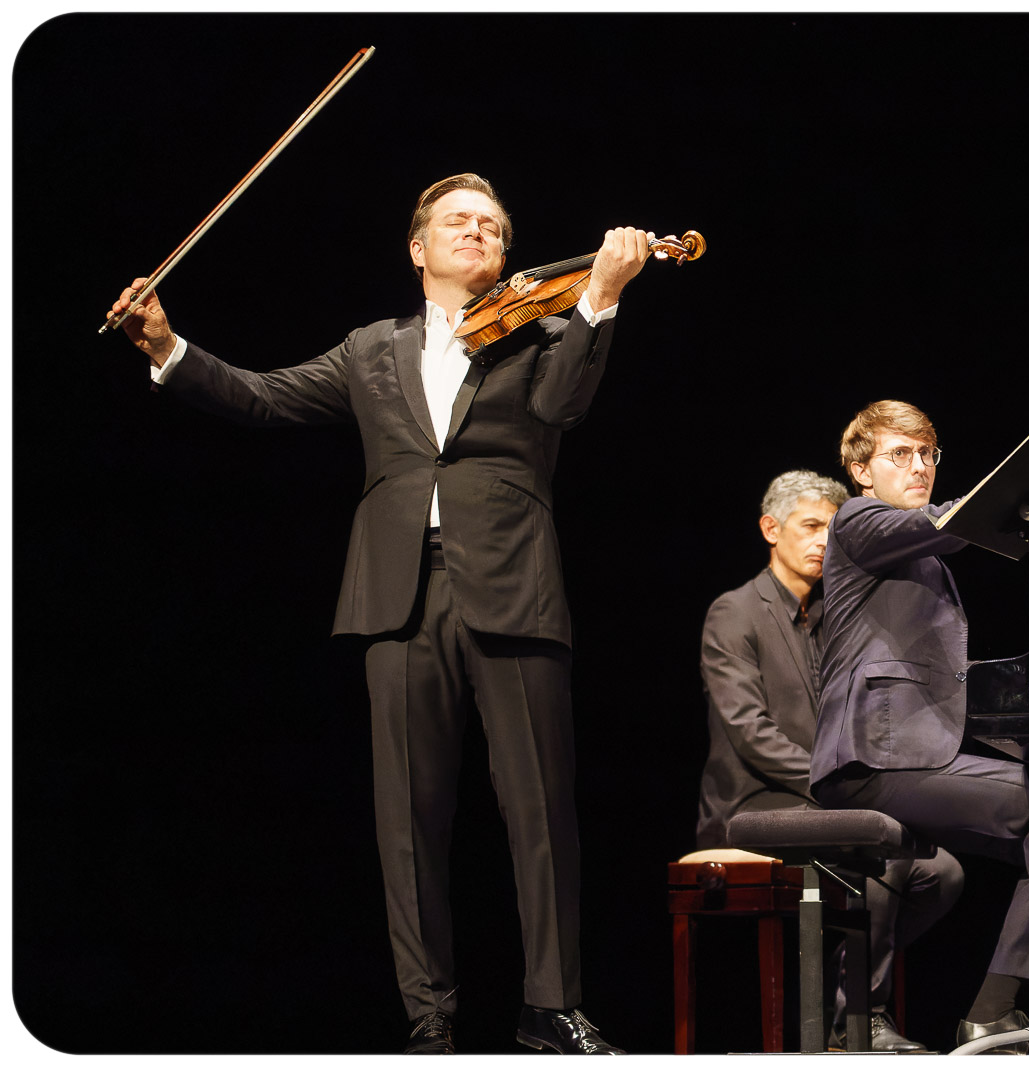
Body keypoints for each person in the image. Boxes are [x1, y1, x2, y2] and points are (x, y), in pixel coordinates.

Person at [106, 174, 647, 1055]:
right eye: (457, 221)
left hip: (512, 584)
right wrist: (168, 346)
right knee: (408, 817)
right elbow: (263, 396)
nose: (476, 231)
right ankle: (428, 1014)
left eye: (492, 225)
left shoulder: (547, 331)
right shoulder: (370, 348)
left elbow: (561, 408)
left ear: (507, 253)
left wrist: (600, 298)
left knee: (541, 810)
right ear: (417, 247)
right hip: (396, 593)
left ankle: (550, 1004)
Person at [809, 400, 1029, 1052]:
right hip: (871, 758)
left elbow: (980, 536)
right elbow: (954, 521)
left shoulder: (922, 554)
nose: (920, 465)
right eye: (901, 454)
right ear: (860, 469)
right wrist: (1028, 489)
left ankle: (1002, 1005)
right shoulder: (857, 519)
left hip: (907, 754)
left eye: (928, 453)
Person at [695, 470, 963, 1052]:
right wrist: (836, 784)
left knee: (942, 872)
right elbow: (750, 732)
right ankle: (859, 1021)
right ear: (771, 529)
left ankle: (841, 995)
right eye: (810, 526)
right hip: (756, 805)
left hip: (823, 803)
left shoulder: (838, 613)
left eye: (832, 529)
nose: (823, 541)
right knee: (883, 856)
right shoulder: (734, 612)